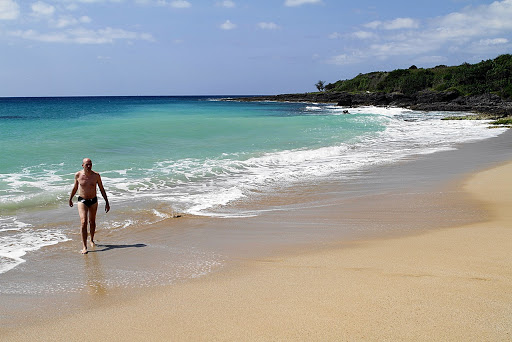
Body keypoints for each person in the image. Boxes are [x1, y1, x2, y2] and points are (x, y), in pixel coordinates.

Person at [69, 158, 110, 254]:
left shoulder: (96, 176)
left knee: (92, 222)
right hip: (82, 200)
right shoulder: (78, 175)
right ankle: (84, 246)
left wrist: (107, 202)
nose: (89, 166)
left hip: (93, 201)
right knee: (83, 222)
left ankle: (91, 239)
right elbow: (75, 187)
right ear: (82, 165)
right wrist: (70, 198)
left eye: (90, 164)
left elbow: (101, 188)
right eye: (87, 164)